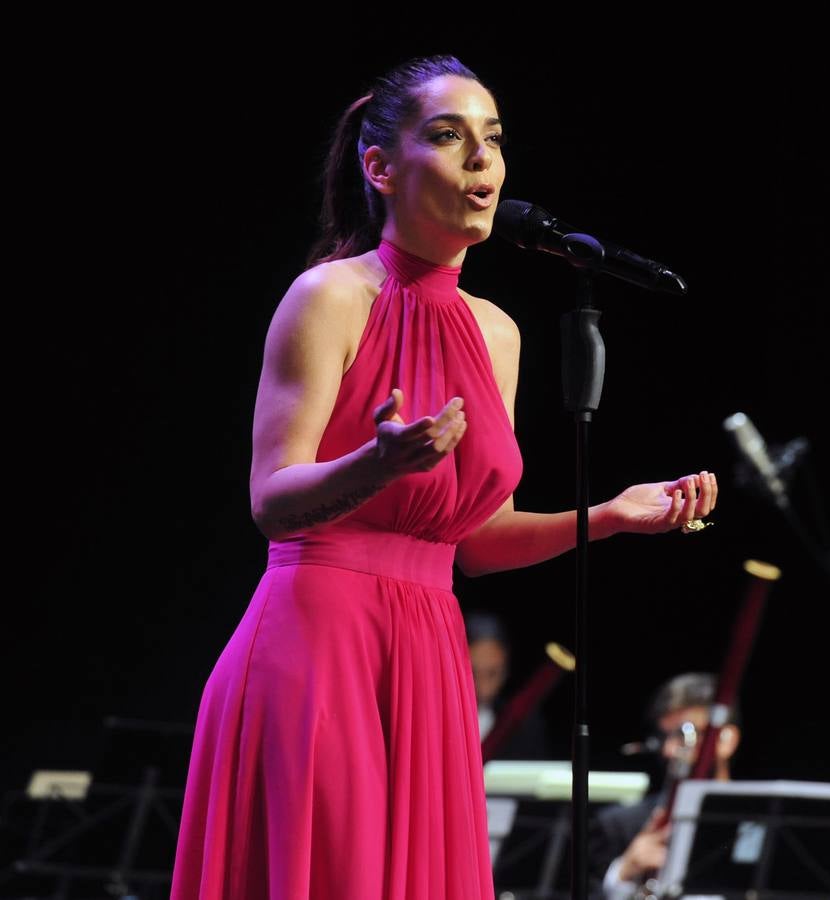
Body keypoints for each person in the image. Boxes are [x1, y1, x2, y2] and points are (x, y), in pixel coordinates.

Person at [170, 54, 717, 900]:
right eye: (449, 136)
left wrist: (607, 516)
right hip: (319, 645)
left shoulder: (497, 333)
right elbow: (271, 501)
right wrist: (375, 462)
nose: (481, 161)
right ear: (379, 167)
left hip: (428, 656)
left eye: (492, 140)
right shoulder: (330, 298)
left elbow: (475, 543)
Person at [591, 673, 741, 900]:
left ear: (726, 740)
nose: (669, 750)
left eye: (686, 734)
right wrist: (622, 876)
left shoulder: (761, 823)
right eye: (665, 737)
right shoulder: (618, 826)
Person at [465, 611, 553, 760]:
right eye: (474, 673)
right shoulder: (437, 719)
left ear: (506, 669)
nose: (483, 688)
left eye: (492, 673)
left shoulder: (522, 724)